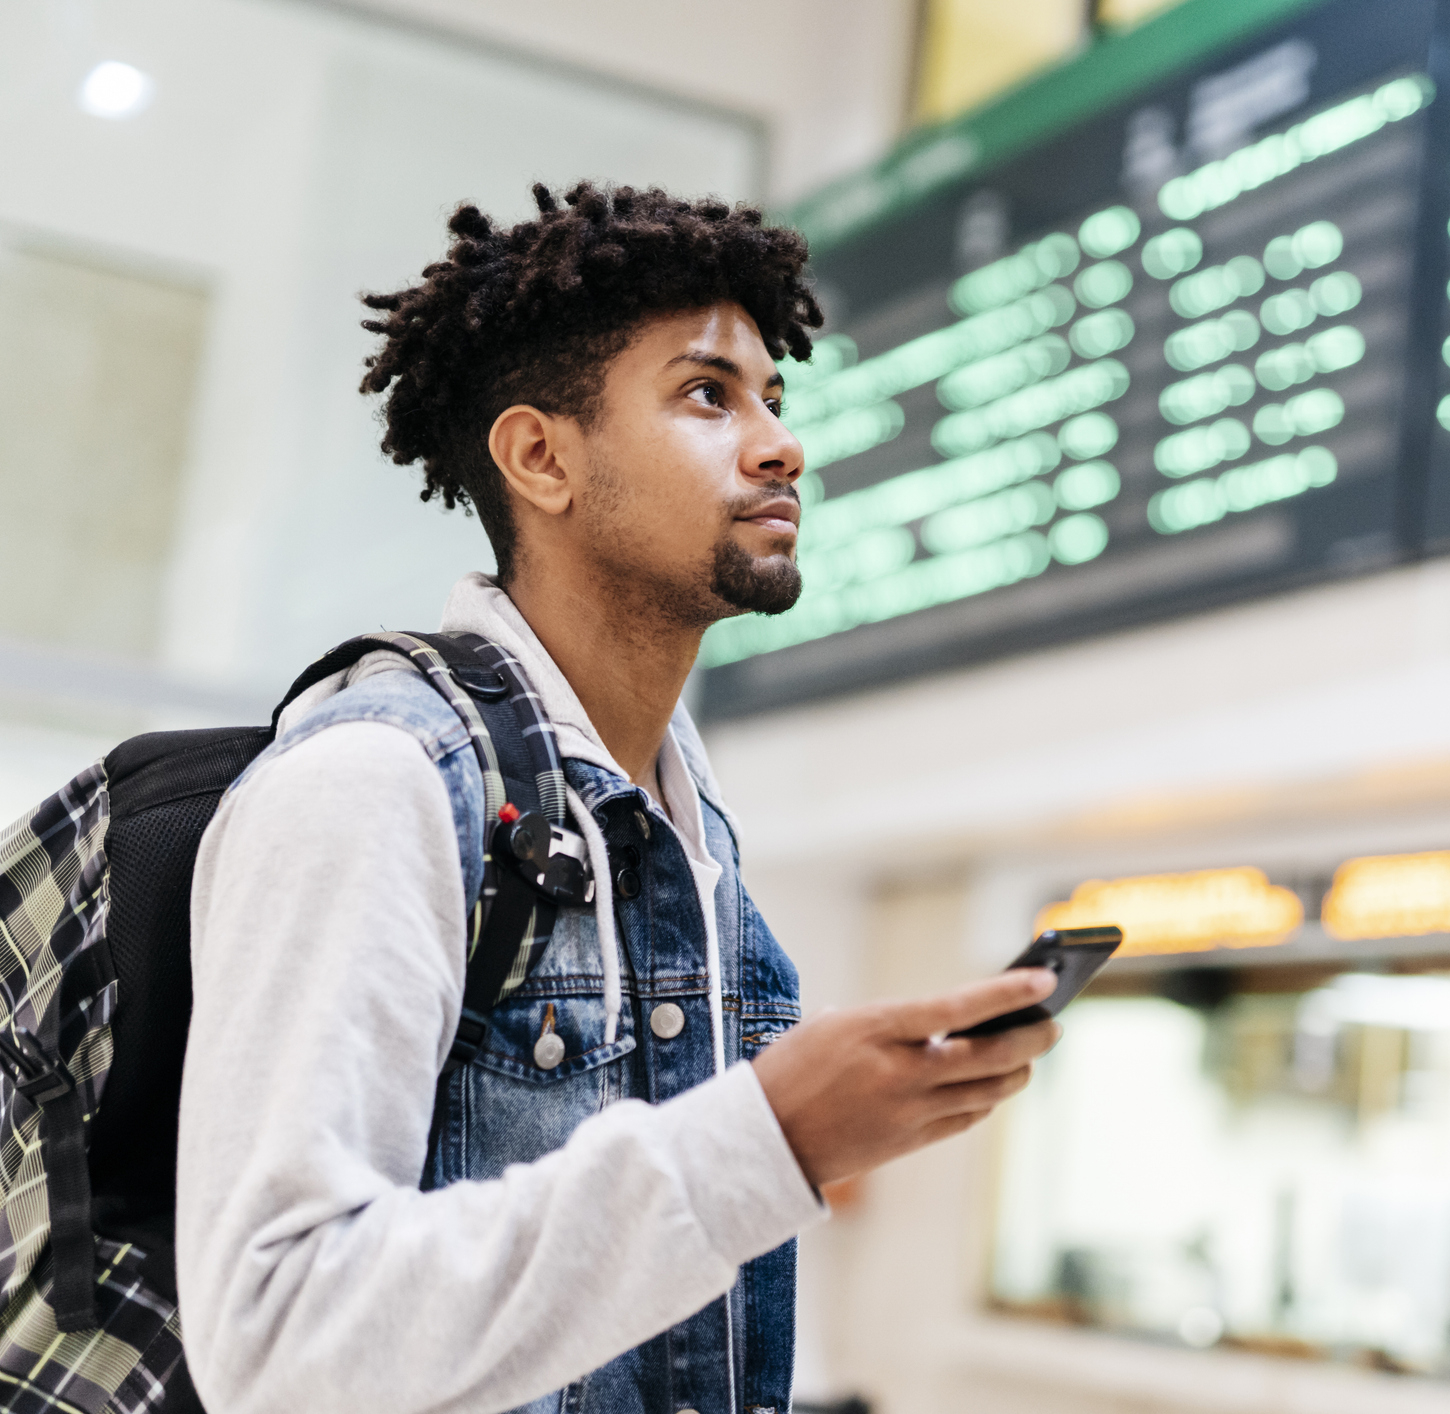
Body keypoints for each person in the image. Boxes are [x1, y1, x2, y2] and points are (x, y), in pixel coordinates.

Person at [174, 182, 1060, 1414]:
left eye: (773, 398)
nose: (779, 443)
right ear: (542, 456)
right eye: (708, 394)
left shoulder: (683, 831)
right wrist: (770, 1140)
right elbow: (276, 1347)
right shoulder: (373, 781)